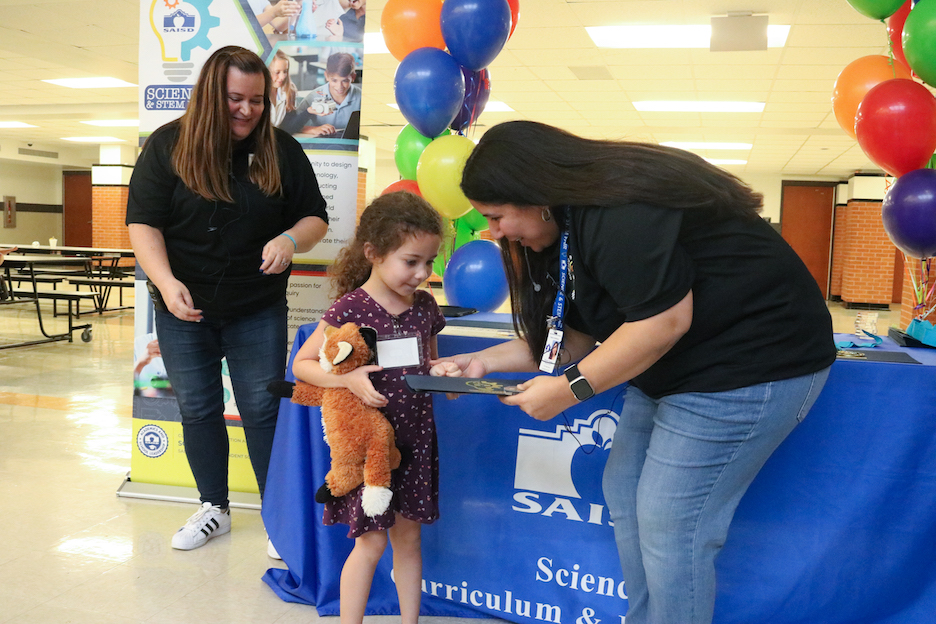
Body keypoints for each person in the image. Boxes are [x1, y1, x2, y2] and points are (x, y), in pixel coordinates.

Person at [430, 121, 836, 624]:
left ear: (533, 195)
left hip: (752, 364)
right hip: (679, 364)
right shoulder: (565, 230)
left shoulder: (617, 213)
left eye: (496, 217)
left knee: (672, 524)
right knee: (624, 490)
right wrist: (484, 362)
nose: (494, 233)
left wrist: (569, 390)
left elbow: (664, 320)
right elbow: (576, 337)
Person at [126, 45, 329, 552]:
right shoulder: (167, 146)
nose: (247, 110)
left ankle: (277, 516)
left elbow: (315, 217)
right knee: (197, 409)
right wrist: (166, 283)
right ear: (211, 95)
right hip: (183, 306)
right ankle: (213, 507)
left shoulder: (281, 150)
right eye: (235, 99)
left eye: (258, 100)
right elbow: (142, 223)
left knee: (262, 409)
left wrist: (290, 240)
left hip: (255, 305)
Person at [291, 191, 446, 624]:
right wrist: (348, 378)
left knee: (409, 540)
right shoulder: (351, 308)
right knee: (371, 543)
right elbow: (304, 364)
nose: (422, 274)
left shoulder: (426, 308)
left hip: (414, 441)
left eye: (430, 263)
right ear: (373, 253)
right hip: (367, 451)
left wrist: (446, 375)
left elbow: (429, 360)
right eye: (411, 261)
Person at [291, 52, 361, 138]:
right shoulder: (313, 97)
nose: (339, 87)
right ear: (326, 76)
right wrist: (313, 129)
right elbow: (291, 124)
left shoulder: (362, 98)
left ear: (353, 77)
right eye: (334, 80)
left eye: (345, 81)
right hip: (322, 145)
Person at [269, 50, 297, 127]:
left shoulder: (289, 90)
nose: (282, 77)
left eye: (285, 71)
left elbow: (289, 125)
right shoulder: (258, 93)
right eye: (277, 72)